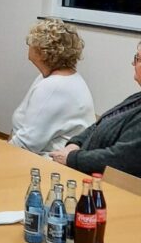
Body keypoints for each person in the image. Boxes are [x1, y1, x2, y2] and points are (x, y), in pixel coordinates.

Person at [51, 42, 141, 176]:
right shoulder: (137, 97)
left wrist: (71, 158)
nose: (133, 64)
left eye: (137, 58)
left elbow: (121, 158)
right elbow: (99, 124)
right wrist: (75, 144)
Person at [9, 18, 94, 155]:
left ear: (43, 52)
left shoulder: (54, 87)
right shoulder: (57, 78)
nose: (28, 46)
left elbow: (26, 144)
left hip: (46, 163)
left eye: (30, 43)